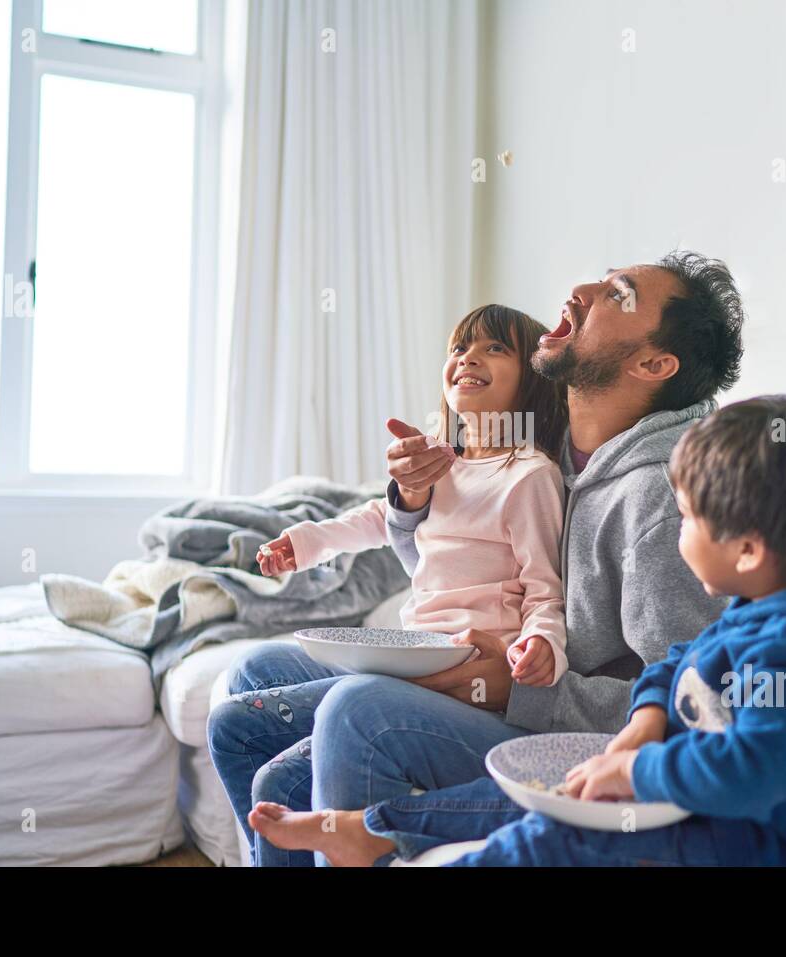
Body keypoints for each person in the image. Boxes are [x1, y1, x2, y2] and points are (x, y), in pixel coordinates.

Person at [209, 251, 745, 866]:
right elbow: (462, 568)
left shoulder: (662, 500)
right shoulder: (549, 444)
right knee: (260, 674)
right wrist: (410, 506)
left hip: (558, 721)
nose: (580, 288)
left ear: (653, 364)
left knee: (359, 713)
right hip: (482, 661)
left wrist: (514, 690)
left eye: (617, 295)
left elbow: (699, 699)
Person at [246, 396, 786, 866]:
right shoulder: (782, 598)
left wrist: (638, 769)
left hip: (742, 843)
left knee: (553, 833)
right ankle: (372, 829)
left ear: (749, 548)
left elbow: (760, 767)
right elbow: (681, 660)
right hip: (691, 803)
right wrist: (643, 722)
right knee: (539, 786)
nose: (680, 535)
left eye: (690, 520)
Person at [208, 303, 568, 865]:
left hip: (463, 667)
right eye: (459, 347)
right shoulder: (438, 464)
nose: (468, 357)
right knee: (255, 693)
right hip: (412, 652)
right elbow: (375, 520)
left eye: (495, 348)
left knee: (237, 731)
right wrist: (300, 544)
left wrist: (543, 643)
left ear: (533, 381)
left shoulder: (531, 476)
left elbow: (547, 590)